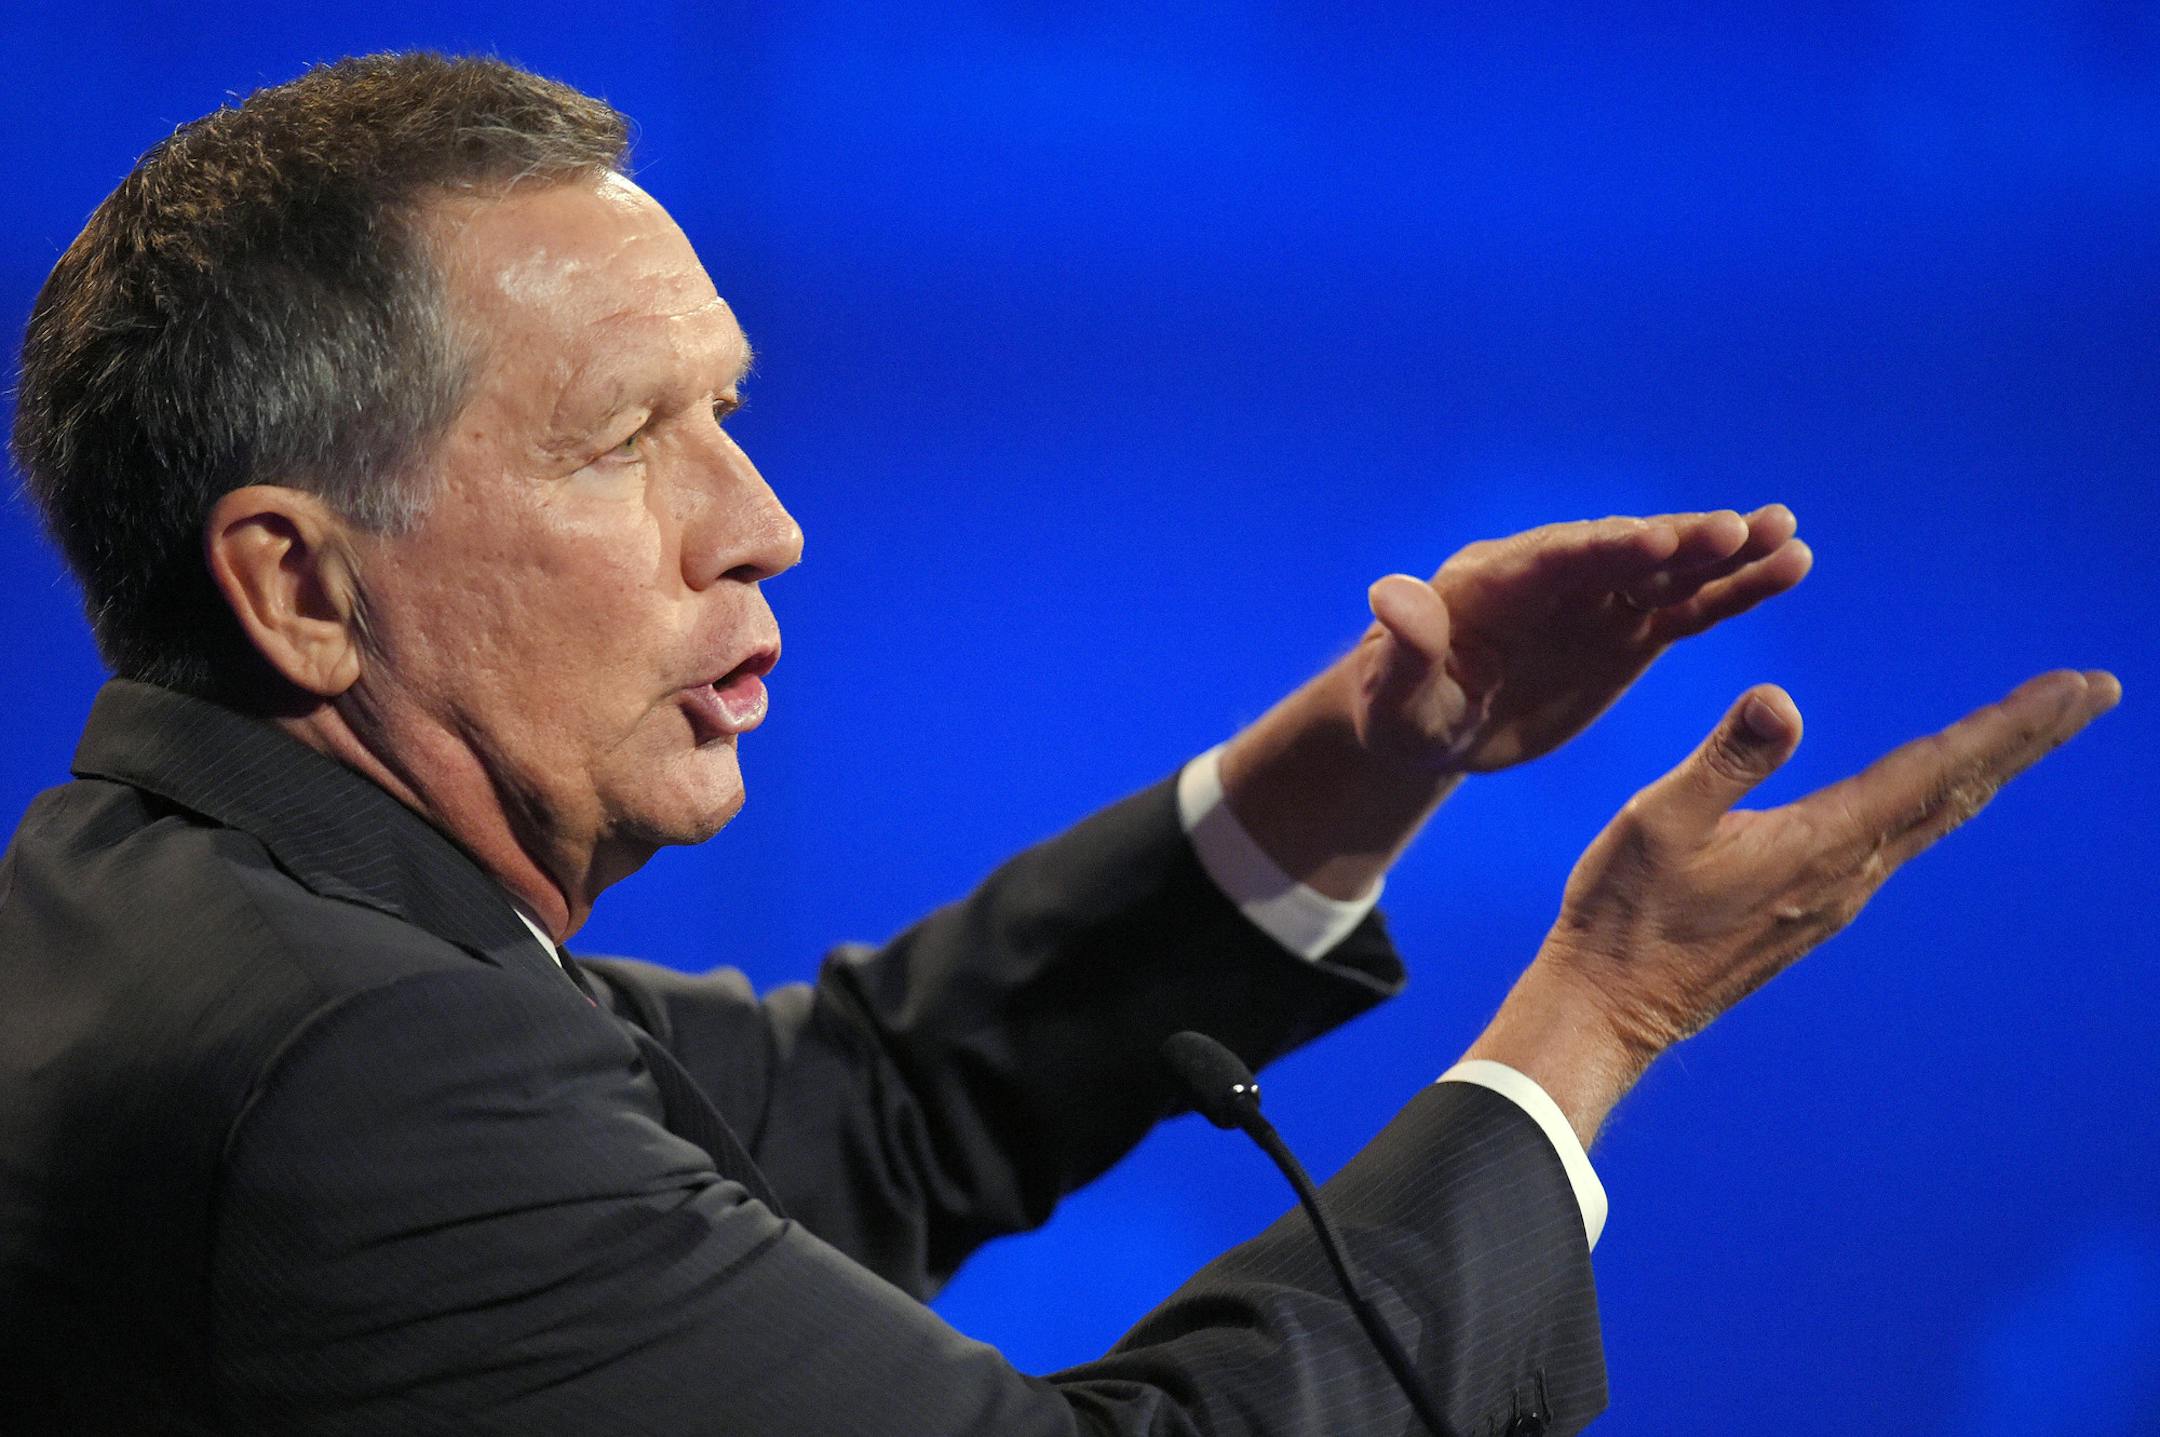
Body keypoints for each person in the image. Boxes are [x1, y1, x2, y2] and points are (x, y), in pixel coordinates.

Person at [0, 53, 2116, 1437]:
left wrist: (1370, 751)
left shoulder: (182, 910)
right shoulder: (354, 1068)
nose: (760, 521)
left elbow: (869, 1105)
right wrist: (1596, 1016)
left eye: (728, 411)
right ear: (297, 585)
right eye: (628, 436)